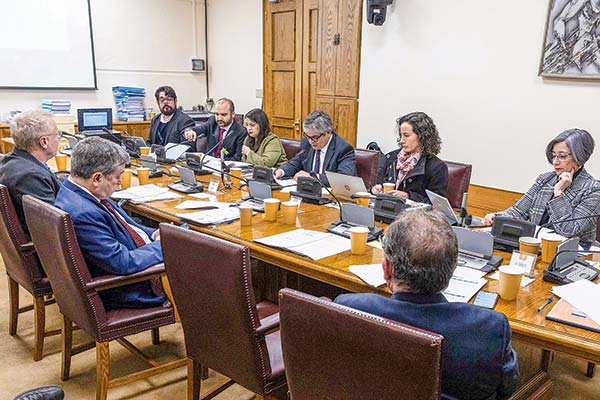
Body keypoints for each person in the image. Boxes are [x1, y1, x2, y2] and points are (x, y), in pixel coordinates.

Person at [335, 209, 519, 400]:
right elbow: (507, 387)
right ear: (453, 269)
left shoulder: (350, 309)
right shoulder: (490, 328)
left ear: (387, 269)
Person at [54, 137, 165, 310]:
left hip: (135, 260)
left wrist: (157, 233)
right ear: (97, 178)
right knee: (208, 264)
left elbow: (129, 226)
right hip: (131, 289)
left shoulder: (76, 191)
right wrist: (165, 245)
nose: (120, 182)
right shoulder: (84, 214)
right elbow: (123, 263)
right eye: (117, 176)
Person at [482, 128, 600, 247]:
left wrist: (558, 193)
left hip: (573, 253)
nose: (555, 162)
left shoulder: (593, 189)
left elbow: (568, 230)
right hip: (536, 247)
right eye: (553, 156)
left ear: (579, 158)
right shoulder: (545, 179)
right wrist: (496, 218)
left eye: (562, 156)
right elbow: (519, 211)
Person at [0, 110, 61, 232]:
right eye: (57, 134)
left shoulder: (11, 160)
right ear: (44, 141)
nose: (59, 137)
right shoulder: (30, 177)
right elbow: (55, 225)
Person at [372, 111, 448, 204]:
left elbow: (437, 204)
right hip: (386, 210)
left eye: (406, 135)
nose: (401, 141)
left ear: (422, 137)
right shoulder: (390, 157)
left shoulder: (437, 167)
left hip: (415, 216)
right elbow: (377, 184)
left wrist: (408, 196)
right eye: (401, 135)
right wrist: (375, 189)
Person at [273, 110, 356, 186]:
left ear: (328, 132)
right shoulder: (306, 142)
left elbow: (345, 179)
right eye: (307, 136)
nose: (310, 141)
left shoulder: (343, 149)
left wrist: (314, 177)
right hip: (308, 191)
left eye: (314, 137)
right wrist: (281, 171)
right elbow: (295, 163)